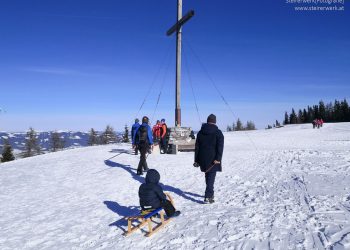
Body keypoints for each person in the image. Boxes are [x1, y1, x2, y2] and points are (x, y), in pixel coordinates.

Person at [194, 114, 224, 204]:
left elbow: (197, 147)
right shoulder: (218, 132)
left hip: (202, 158)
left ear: (207, 121)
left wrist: (196, 160)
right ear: (215, 122)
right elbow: (220, 147)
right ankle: (208, 196)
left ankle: (210, 193)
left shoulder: (200, 132)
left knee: (208, 176)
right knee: (211, 177)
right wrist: (218, 158)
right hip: (213, 158)